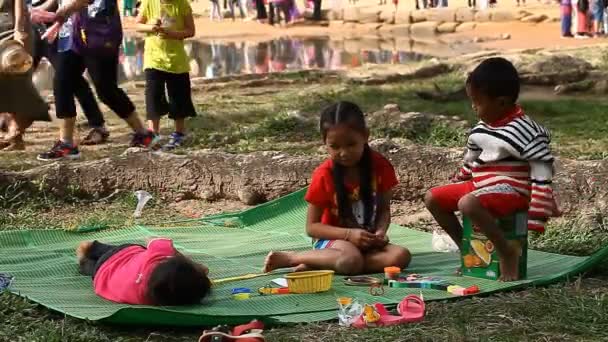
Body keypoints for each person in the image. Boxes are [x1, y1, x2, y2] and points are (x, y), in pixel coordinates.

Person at [424, 58, 560, 282]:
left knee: (467, 203)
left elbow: (542, 164)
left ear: (502, 102)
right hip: (480, 185)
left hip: (512, 189)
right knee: (433, 198)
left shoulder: (525, 130)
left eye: (477, 102)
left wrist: (543, 199)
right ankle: (467, 250)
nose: (473, 107)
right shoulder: (480, 128)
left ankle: (507, 252)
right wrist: (456, 180)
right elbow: (471, 162)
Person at [263, 101, 411, 275]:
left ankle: (323, 263)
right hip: (332, 241)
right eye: (334, 146)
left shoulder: (381, 167)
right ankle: (292, 258)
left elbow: (384, 209)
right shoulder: (324, 174)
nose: (343, 153)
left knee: (400, 256)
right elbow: (312, 227)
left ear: (366, 136)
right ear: (324, 142)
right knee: (350, 258)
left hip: (365, 241)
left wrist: (379, 232)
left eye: (351, 144)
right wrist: (348, 235)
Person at [37, 0, 157, 161]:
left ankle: (143, 133)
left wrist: (65, 10)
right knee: (62, 81)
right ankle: (67, 144)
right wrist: (36, 11)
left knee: (106, 90)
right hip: (72, 32)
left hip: (99, 31)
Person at [31, 0, 110, 145]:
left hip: (55, 29)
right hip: (31, 30)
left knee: (73, 79)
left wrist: (36, 10)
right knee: (16, 78)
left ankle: (97, 126)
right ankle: (12, 129)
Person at [135, 0, 196, 150]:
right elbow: (137, 25)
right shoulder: (149, 2)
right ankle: (153, 133)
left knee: (178, 96)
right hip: (153, 59)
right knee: (153, 94)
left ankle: (179, 133)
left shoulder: (182, 4)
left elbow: (190, 31)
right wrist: (151, 27)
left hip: (177, 61)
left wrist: (173, 34)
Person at [76, 238, 211, 305]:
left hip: (121, 256)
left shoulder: (156, 257)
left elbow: (155, 241)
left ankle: (92, 248)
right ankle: (86, 264)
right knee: (100, 269)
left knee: (132, 250)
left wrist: (195, 264)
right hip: (101, 279)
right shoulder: (152, 299)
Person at [0, 0, 50, 151]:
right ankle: (13, 134)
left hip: (13, 33)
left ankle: (16, 135)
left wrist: (19, 29)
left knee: (17, 85)